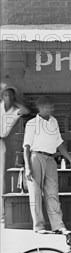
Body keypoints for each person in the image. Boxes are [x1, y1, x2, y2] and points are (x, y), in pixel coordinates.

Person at [23, 95, 71, 234]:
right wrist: (27, 167)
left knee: (52, 192)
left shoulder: (53, 121)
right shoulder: (31, 123)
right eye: (49, 106)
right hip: (36, 157)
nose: (52, 109)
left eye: (52, 106)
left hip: (51, 159)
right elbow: (26, 147)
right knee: (35, 193)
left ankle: (58, 226)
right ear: (40, 108)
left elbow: (59, 143)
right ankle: (39, 226)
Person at [1, 83, 30, 218]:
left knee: (1, 178)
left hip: (0, 141)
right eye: (6, 94)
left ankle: (1, 212)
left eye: (10, 95)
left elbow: (26, 111)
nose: (8, 97)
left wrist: (15, 102)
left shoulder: (14, 110)